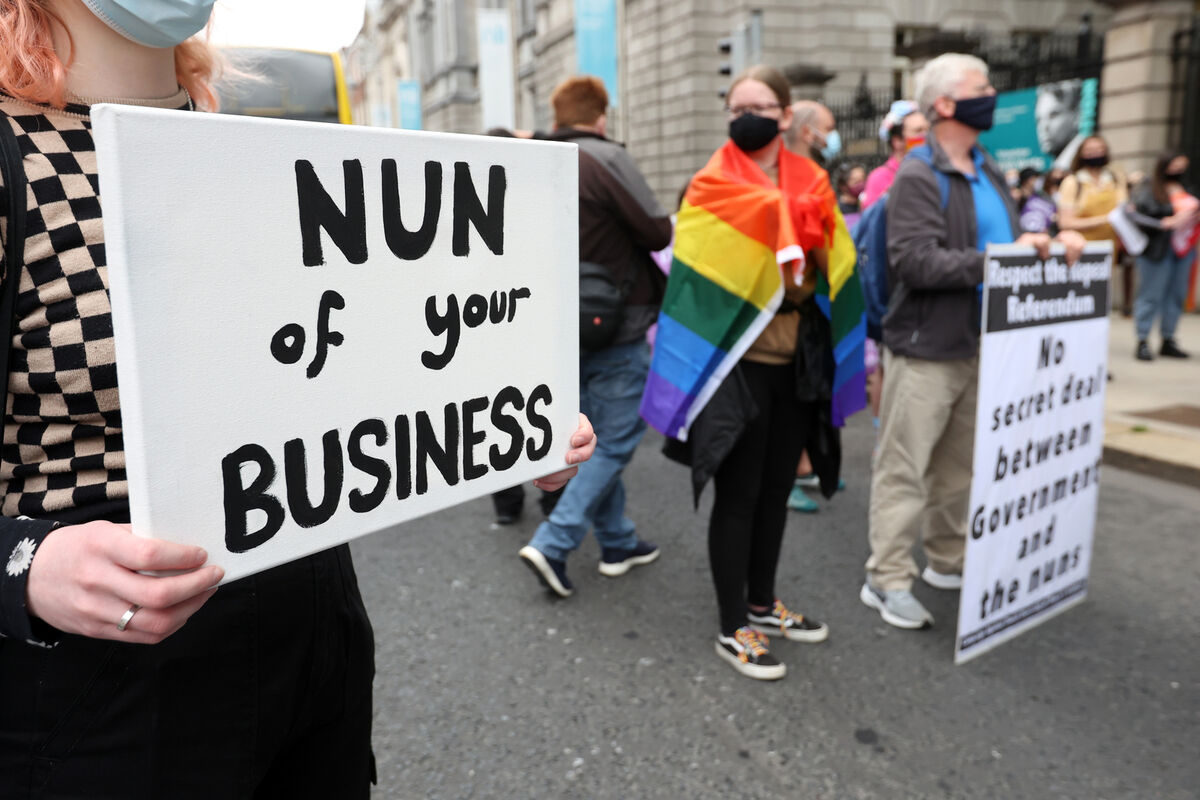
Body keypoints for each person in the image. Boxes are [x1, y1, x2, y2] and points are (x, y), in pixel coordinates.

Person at [0, 3, 595, 796]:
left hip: (316, 647)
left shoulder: (252, 154)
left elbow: (356, 359)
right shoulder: (13, 158)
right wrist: (26, 567)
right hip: (103, 694)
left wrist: (505, 426)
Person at [862, 53, 1085, 630]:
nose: (990, 94)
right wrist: (1000, 260)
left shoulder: (986, 166)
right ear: (944, 104)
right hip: (927, 346)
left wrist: (1050, 240)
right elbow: (915, 262)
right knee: (906, 466)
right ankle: (886, 578)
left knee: (960, 465)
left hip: (985, 340)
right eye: (980, 87)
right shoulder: (919, 174)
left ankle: (947, 557)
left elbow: (1012, 238)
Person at [648, 65, 836, 680]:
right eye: (736, 108)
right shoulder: (709, 185)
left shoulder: (813, 180)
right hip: (734, 364)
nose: (746, 117)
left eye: (759, 107)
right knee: (740, 494)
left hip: (795, 362)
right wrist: (772, 243)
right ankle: (734, 626)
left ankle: (762, 601)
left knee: (778, 489)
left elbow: (827, 264)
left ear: (786, 114)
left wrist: (797, 252)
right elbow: (696, 280)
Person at [518, 76, 669, 597]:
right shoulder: (604, 157)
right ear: (601, 117)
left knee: (592, 435)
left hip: (555, 327)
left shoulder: (530, 163)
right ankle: (554, 542)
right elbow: (657, 230)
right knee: (616, 439)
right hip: (615, 321)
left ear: (556, 117)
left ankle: (617, 541)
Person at [1128, 151, 1199, 360]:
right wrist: (1167, 221)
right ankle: (1142, 339)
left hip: (1184, 249)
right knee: (1151, 294)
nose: (1179, 170)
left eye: (1182, 166)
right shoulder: (1149, 189)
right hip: (1157, 249)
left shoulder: (1187, 188)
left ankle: (1168, 339)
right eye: (1175, 166)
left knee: (1176, 295)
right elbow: (1139, 216)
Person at [1057, 135, 1128, 312]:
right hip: (1080, 252)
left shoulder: (1115, 179)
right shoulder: (1073, 182)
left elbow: (1123, 208)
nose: (1095, 154)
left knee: (1100, 301)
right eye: (1090, 151)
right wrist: (1105, 219)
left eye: (1099, 150)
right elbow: (1065, 222)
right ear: (1081, 154)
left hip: (1108, 251)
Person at [862, 99, 929, 210]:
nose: (926, 136)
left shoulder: (936, 169)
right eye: (918, 131)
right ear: (897, 141)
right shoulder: (880, 178)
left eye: (928, 129)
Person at [1035, 78, 1085, 171]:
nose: (1044, 127)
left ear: (1076, 116)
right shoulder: (1057, 165)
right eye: (1039, 120)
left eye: (1053, 115)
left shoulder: (1082, 158)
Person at [786, 99, 838, 167]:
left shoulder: (777, 168)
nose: (833, 134)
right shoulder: (814, 172)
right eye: (828, 129)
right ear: (806, 133)